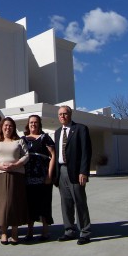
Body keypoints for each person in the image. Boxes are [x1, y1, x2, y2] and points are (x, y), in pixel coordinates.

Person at [0, 117, 29, 245]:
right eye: (5, 125)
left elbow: (26, 155)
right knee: (2, 204)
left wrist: (16, 165)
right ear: (1, 127)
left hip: (16, 176)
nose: (8, 128)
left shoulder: (19, 141)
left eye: (10, 126)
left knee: (15, 203)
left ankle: (15, 233)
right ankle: (4, 232)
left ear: (13, 127)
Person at [54, 105, 92, 245]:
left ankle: (85, 232)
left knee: (80, 202)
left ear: (70, 114)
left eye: (65, 113)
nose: (62, 116)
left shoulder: (81, 129)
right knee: (66, 203)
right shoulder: (57, 132)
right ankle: (69, 230)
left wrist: (83, 171)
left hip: (76, 172)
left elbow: (86, 152)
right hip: (62, 171)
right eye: (60, 114)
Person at [21, 114, 55, 241]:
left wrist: (49, 175)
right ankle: (30, 232)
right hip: (27, 178)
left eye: (35, 122)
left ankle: (45, 232)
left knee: (44, 204)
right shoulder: (23, 139)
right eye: (31, 122)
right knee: (30, 205)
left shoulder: (45, 138)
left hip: (43, 177)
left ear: (39, 124)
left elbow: (53, 156)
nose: (33, 124)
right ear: (28, 124)